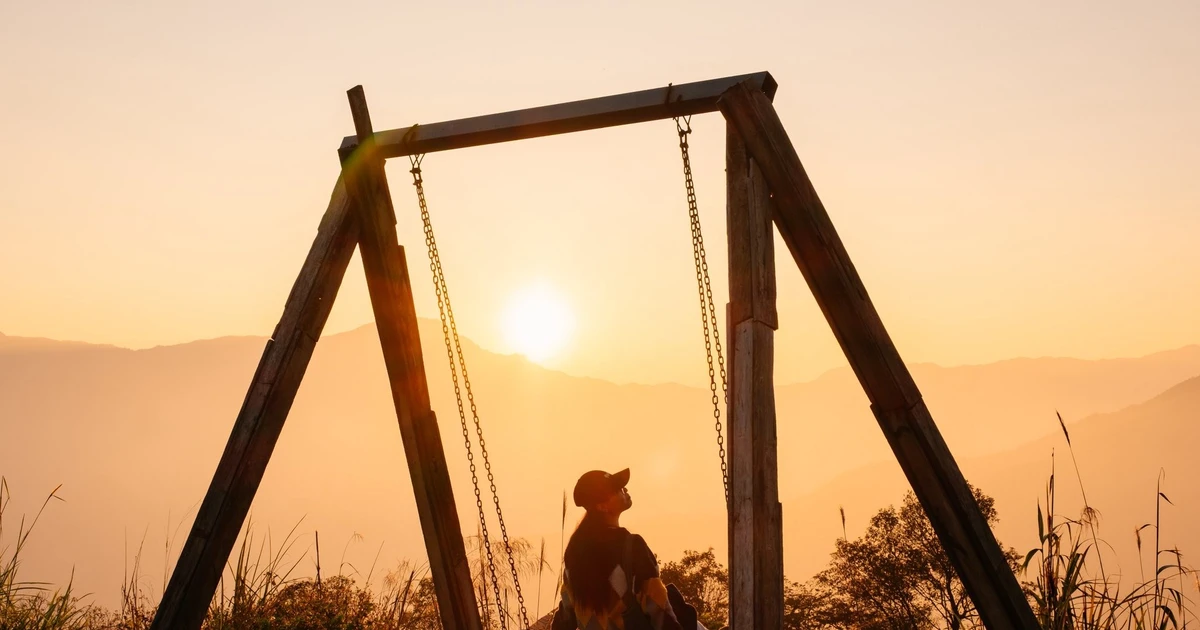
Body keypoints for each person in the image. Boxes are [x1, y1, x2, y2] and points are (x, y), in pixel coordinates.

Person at [551, 468, 701, 630]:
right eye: (618, 489)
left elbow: (567, 613)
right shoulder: (631, 546)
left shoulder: (574, 552)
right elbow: (658, 609)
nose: (625, 490)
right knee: (682, 609)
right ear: (602, 506)